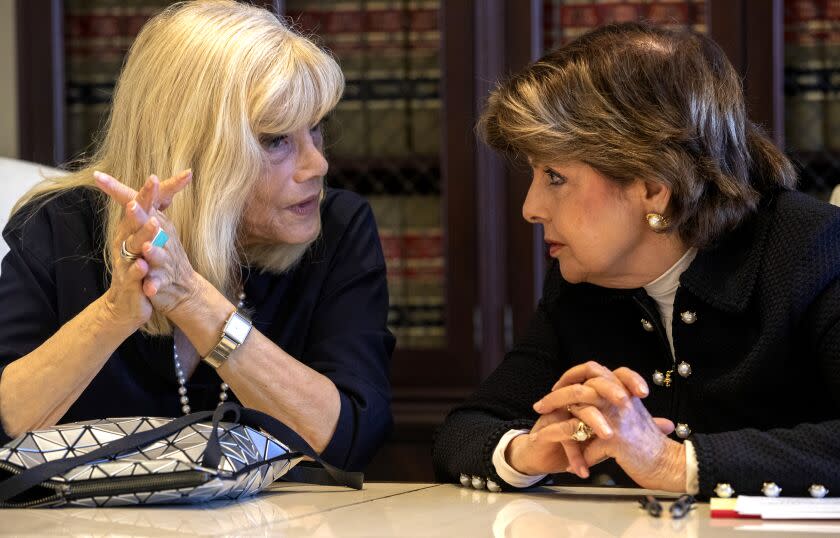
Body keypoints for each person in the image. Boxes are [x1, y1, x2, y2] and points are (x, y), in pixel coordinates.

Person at [433, 22, 840, 498]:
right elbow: (465, 430)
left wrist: (667, 460)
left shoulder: (815, 249)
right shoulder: (583, 280)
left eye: (555, 177)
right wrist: (529, 449)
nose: (530, 208)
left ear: (652, 187)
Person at [0, 0, 394, 472]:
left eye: (316, 130)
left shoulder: (338, 230)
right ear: (195, 151)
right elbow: (6, 430)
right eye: (276, 140)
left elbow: (350, 440)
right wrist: (113, 313)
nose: (318, 165)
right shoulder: (60, 226)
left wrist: (193, 300)